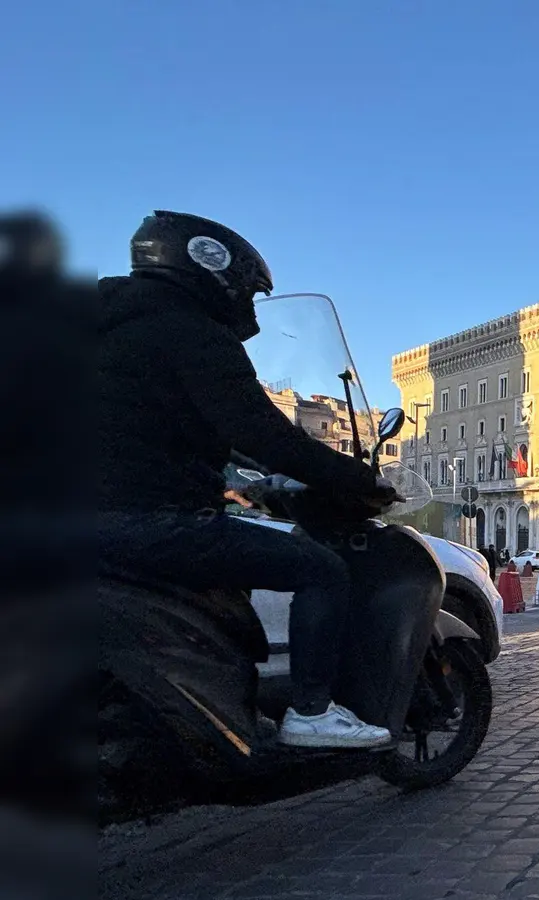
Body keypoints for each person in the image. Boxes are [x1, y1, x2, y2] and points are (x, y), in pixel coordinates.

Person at [97, 210, 396, 749]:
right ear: (217, 276)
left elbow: (170, 427)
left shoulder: (104, 330)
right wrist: (359, 480)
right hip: (151, 521)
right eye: (249, 295)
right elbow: (267, 435)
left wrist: (242, 480)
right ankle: (311, 711)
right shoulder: (190, 333)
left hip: (70, 521)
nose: (252, 316)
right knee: (321, 570)